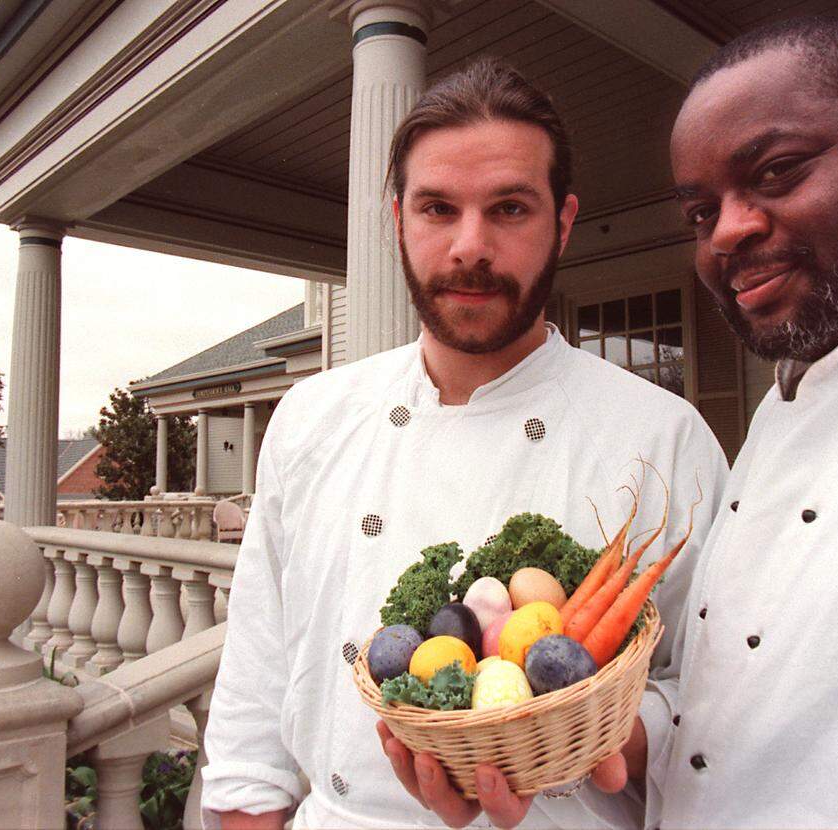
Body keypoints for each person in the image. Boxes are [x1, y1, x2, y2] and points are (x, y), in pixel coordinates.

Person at [402, 17, 838, 830]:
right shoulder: (791, 394)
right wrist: (627, 735)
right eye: (701, 213)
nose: (730, 231)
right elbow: (736, 702)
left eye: (776, 173)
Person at [200, 60, 728, 829]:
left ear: (564, 221)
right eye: (438, 209)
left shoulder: (661, 435)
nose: (469, 246)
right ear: (398, 219)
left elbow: (710, 690)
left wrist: (600, 741)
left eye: (509, 208)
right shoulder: (311, 418)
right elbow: (255, 684)